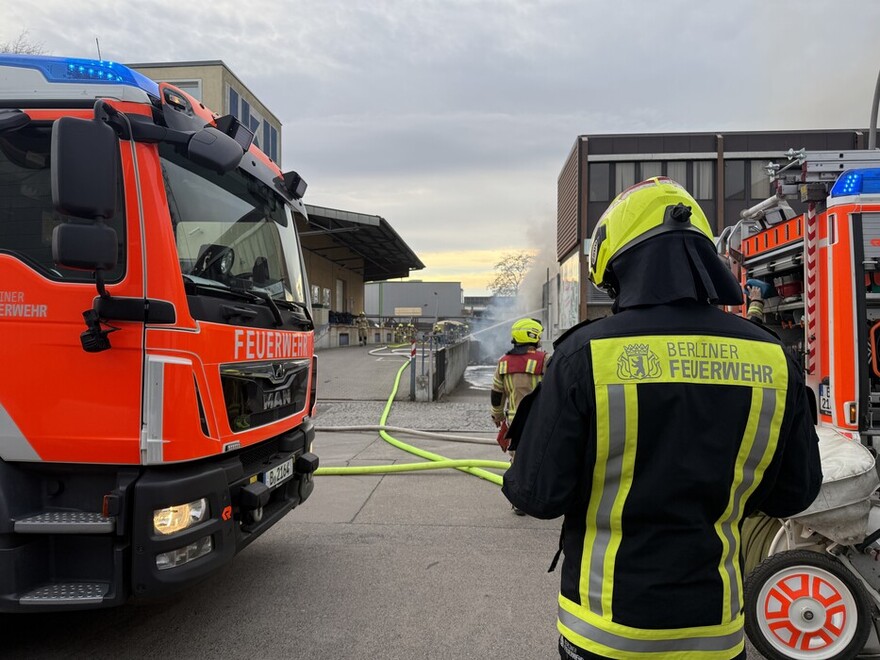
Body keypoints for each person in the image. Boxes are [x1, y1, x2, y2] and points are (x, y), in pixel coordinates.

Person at [502, 177, 822, 660]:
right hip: (715, 630)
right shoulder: (772, 358)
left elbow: (536, 496)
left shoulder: (584, 356)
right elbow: (795, 493)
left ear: (618, 262)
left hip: (604, 628)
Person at [491, 318, 547, 515]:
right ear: (533, 335)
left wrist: (497, 415)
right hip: (540, 419)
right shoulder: (544, 360)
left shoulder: (503, 363)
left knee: (517, 460)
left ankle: (518, 502)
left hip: (514, 421)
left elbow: (497, 393)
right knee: (540, 459)